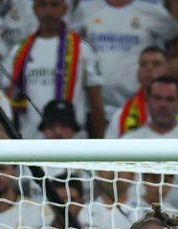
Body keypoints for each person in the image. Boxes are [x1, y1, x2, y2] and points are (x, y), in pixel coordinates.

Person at [6, 0, 105, 139]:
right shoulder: (18, 52)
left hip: (73, 144)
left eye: (54, 5)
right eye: (43, 5)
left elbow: (97, 108)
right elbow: (10, 105)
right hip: (30, 144)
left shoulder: (83, 49)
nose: (48, 11)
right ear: (34, 8)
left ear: (65, 9)